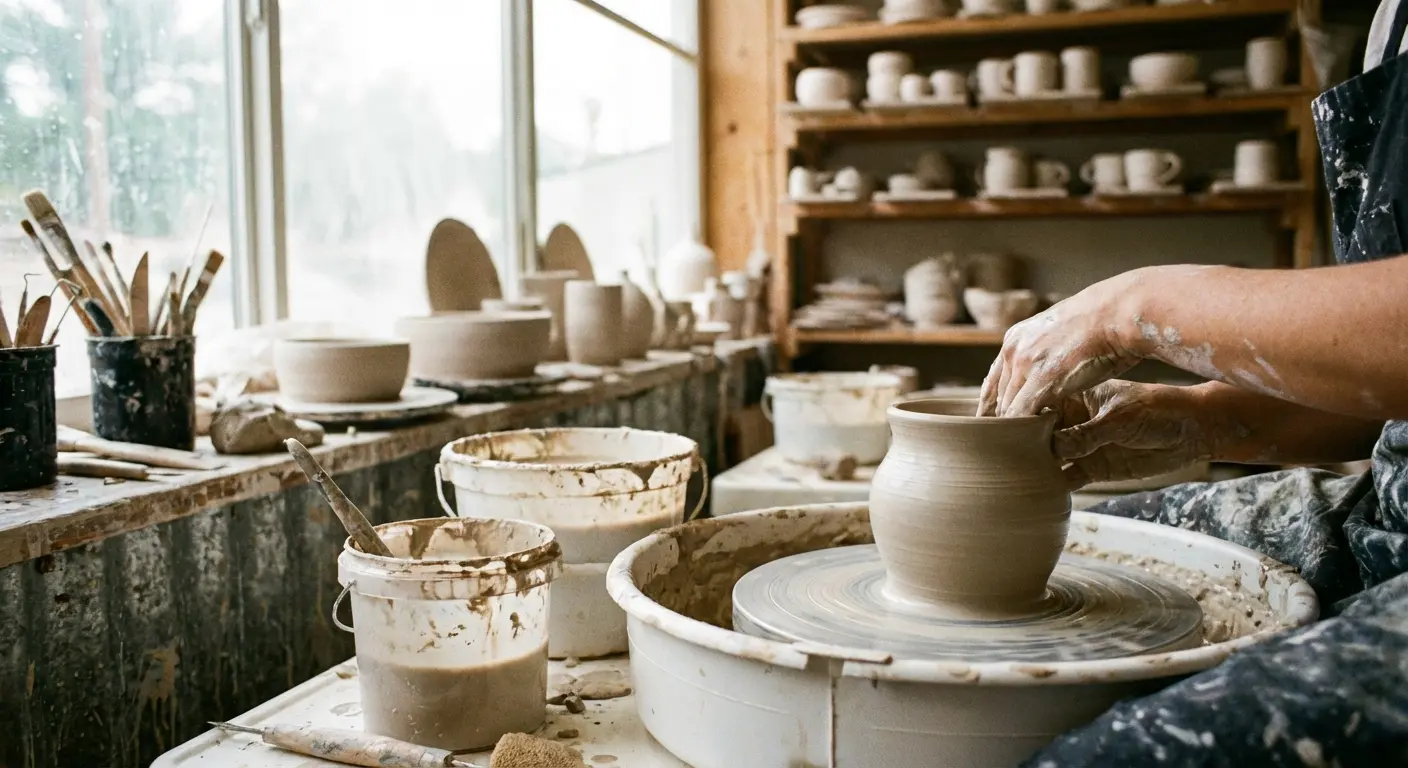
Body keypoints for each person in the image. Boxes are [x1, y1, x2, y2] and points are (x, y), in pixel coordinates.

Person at [988, 5, 1408, 765]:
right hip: (1395, 501)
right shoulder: (1387, 21)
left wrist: (1138, 310)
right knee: (1076, 557)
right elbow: (1380, 378)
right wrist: (1202, 420)